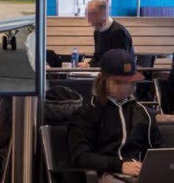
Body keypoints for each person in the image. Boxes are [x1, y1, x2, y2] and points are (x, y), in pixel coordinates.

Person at [68, 49, 163, 180]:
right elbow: (80, 156)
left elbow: (157, 153)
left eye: (128, 82)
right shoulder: (86, 114)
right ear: (103, 80)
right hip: (106, 174)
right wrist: (119, 165)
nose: (124, 87)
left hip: (139, 175)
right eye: (118, 82)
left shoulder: (144, 114)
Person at [79, 0, 133, 67]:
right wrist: (88, 64)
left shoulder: (119, 32)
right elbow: (97, 57)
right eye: (87, 13)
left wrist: (91, 66)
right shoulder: (97, 31)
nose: (88, 18)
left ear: (104, 13)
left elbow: (119, 62)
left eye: (92, 13)